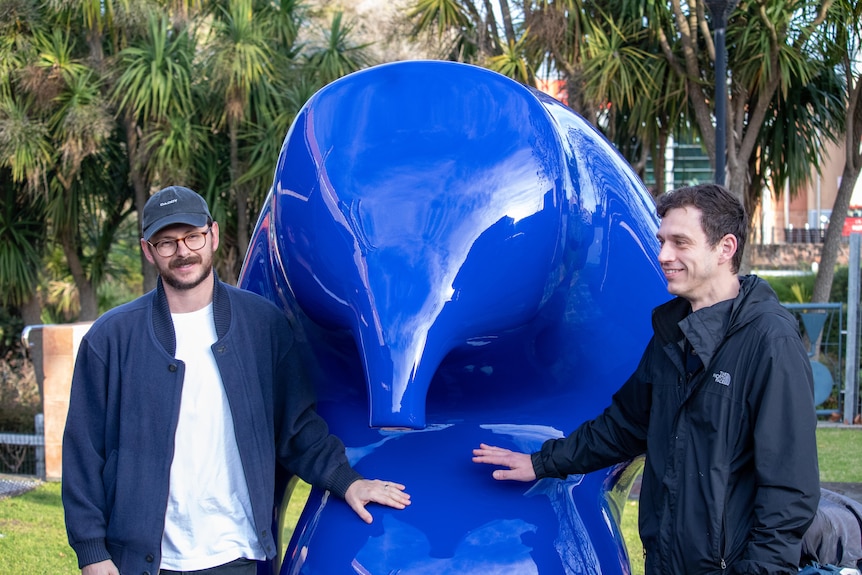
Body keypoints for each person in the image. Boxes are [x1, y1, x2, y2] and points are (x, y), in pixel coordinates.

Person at [473, 183, 820, 574]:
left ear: (725, 248)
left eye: (680, 243)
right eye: (662, 241)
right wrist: (541, 462)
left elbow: (790, 493)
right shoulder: (673, 332)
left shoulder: (770, 340)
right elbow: (624, 427)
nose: (663, 256)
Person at [62, 185, 410, 575]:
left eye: (192, 236)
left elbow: (295, 429)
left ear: (211, 235)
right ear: (148, 250)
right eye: (167, 243)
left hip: (233, 556)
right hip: (141, 561)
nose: (183, 252)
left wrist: (347, 482)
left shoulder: (263, 326)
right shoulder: (111, 338)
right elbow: (83, 453)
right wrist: (92, 551)